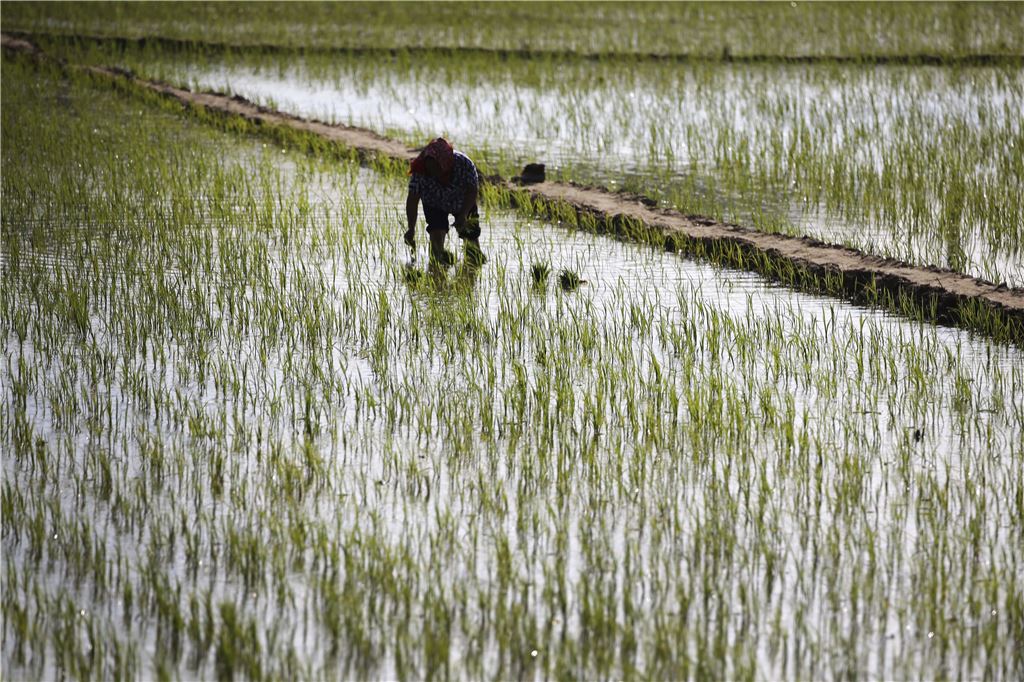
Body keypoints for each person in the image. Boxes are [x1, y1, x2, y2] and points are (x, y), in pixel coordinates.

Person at [404, 138, 485, 265]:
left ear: (444, 163)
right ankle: (437, 268)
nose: (432, 172)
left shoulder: (464, 164)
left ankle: (473, 265)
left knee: (471, 241)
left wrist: (463, 214)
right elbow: (412, 200)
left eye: (436, 167)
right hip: (434, 202)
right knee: (436, 238)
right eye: (429, 167)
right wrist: (411, 229)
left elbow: (472, 191)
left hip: (462, 201)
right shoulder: (420, 170)